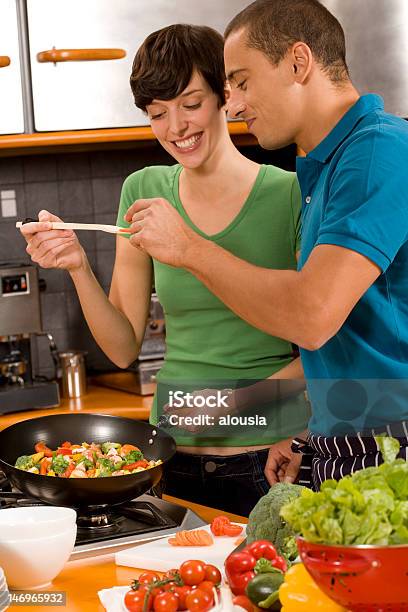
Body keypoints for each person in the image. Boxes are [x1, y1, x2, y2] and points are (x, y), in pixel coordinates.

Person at [20, 23, 310, 515]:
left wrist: (221, 413)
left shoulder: (288, 195)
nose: (176, 127)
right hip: (166, 464)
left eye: (190, 104)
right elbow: (121, 346)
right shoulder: (142, 191)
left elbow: (324, 343)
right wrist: (77, 267)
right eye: (158, 113)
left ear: (225, 94)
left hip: (263, 463)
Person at [124, 0, 408, 490]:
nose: (233, 104)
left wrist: (189, 248)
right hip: (346, 440)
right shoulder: (326, 168)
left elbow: (312, 316)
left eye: (243, 81)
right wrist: (308, 435)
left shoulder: (377, 151)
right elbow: (349, 333)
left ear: (299, 63)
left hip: (390, 445)